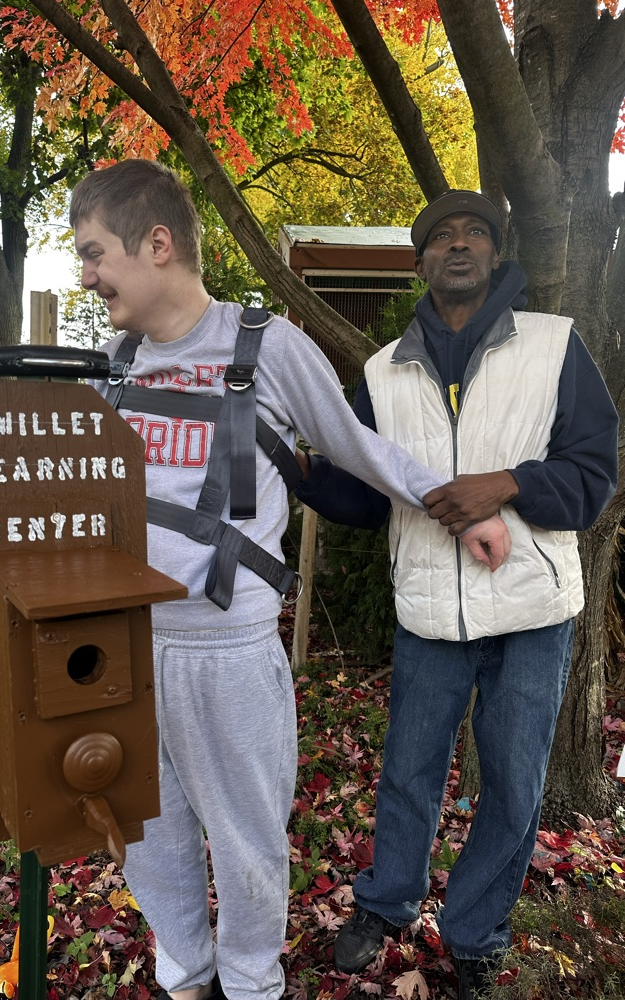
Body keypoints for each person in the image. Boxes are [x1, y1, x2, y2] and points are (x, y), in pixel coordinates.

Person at [69, 163, 510, 1000]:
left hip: (228, 653)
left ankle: (248, 981)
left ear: (157, 244)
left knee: (246, 841)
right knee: (145, 831)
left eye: (95, 254)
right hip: (122, 649)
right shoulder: (110, 363)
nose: (87, 275)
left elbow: (359, 448)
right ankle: (186, 974)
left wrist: (460, 508)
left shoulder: (265, 347)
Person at [294, 189, 619, 999]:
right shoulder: (382, 370)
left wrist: (505, 484)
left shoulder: (555, 347)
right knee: (407, 771)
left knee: (511, 784)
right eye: (442, 236)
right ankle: (389, 903)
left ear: (497, 253)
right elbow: (369, 500)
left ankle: (475, 932)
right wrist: (298, 471)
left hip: (532, 612)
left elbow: (594, 477)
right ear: (421, 261)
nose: (460, 244)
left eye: (476, 232)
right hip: (430, 611)